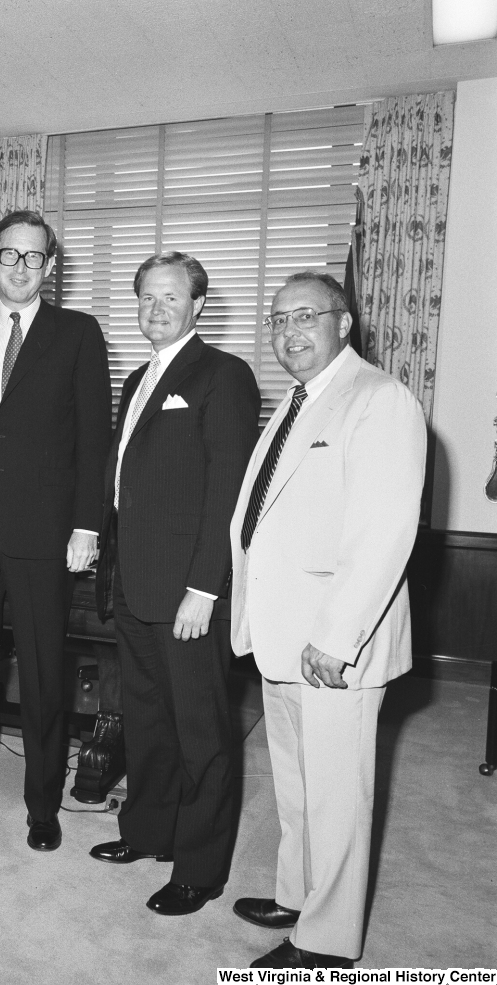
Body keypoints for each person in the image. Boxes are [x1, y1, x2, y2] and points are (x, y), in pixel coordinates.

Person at [229, 273, 426, 969]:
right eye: (277, 319)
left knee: (339, 792)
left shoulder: (379, 398)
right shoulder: (298, 400)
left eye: (305, 316)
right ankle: (297, 893)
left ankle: (326, 941)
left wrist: (336, 638)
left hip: (333, 643)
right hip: (283, 634)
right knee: (298, 782)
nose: (289, 331)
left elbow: (384, 532)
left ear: (344, 322)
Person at [0, 209, 112, 851]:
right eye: (9, 254)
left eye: (33, 257)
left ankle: (43, 806)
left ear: (50, 267)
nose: (19, 267)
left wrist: (87, 525)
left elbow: (95, 438)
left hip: (46, 531)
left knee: (42, 672)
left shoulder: (79, 333)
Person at [89, 252, 260, 915]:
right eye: (146, 298)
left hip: (189, 592)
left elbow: (226, 491)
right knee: (147, 718)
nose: (156, 308)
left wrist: (205, 587)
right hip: (133, 583)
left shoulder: (224, 375)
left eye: (171, 297)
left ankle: (200, 866)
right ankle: (148, 830)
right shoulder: (137, 378)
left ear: (199, 305)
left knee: (201, 731)